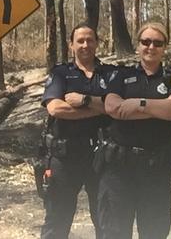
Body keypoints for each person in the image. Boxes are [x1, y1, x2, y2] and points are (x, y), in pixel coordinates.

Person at [99, 22, 171, 239]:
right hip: (119, 168)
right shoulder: (120, 75)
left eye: (157, 42)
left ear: (165, 47)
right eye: (145, 41)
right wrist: (159, 108)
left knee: (154, 232)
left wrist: (138, 104)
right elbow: (113, 108)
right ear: (138, 45)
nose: (151, 47)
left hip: (157, 168)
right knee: (115, 232)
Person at [40, 23, 115, 239]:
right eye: (80, 40)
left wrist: (82, 101)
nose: (85, 45)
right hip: (65, 158)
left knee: (106, 221)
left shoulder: (109, 74)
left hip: (101, 158)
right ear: (71, 44)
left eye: (90, 40)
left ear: (97, 43)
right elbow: (56, 108)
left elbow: (117, 107)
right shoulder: (60, 73)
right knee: (57, 221)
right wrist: (99, 108)